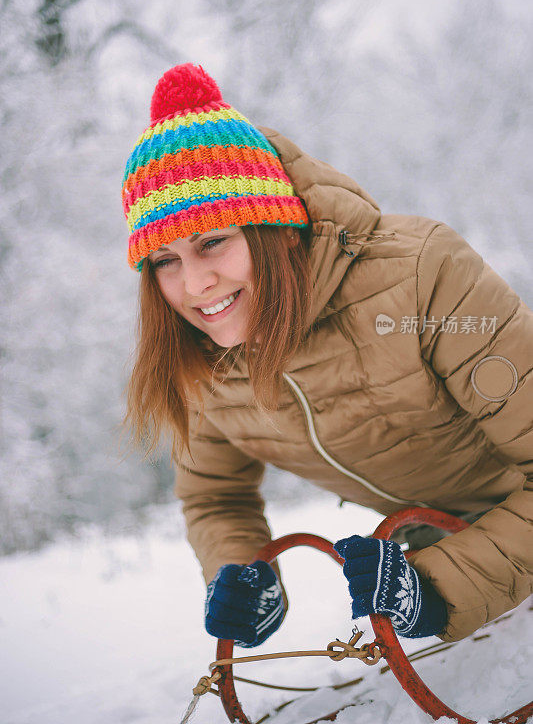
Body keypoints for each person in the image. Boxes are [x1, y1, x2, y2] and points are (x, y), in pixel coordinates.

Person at [123, 62, 532, 647]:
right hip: (453, 541)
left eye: (213, 242)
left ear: (281, 231)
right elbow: (215, 496)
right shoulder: (201, 357)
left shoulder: (421, 278)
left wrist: (443, 587)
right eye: (165, 260)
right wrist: (237, 575)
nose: (194, 285)